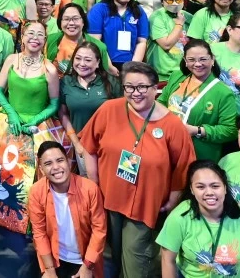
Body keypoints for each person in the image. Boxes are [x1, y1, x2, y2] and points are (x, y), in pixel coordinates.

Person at [80, 61, 196, 278]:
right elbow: (89, 147)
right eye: (129, 87)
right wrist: (94, 184)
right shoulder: (109, 109)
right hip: (108, 199)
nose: (135, 93)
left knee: (136, 261)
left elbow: (183, 168)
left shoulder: (172, 125)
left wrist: (172, 201)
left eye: (142, 87)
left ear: (155, 88)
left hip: (145, 206)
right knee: (111, 255)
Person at [156, 159, 240, 278]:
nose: (209, 192)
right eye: (200, 187)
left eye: (215, 186)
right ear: (192, 190)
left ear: (225, 188)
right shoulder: (179, 217)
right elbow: (167, 259)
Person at [27, 140, 108, 278]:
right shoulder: (36, 191)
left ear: (69, 162)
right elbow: (39, 233)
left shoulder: (90, 189)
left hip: (86, 260)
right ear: (41, 169)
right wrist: (50, 270)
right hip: (54, 260)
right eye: (48, 164)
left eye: (60, 160)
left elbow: (99, 230)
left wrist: (87, 266)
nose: (56, 167)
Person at [158, 39, 238, 162]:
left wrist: (198, 131)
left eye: (203, 59)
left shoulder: (223, 93)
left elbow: (230, 130)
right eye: (191, 60)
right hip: (168, 145)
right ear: (185, 61)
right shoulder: (177, 77)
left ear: (212, 59)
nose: (197, 64)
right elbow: (160, 103)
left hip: (198, 153)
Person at [60, 41, 118, 170]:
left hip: (109, 146)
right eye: (78, 58)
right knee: (89, 185)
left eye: (88, 60)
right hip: (82, 147)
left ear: (97, 63)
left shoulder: (111, 82)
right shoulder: (66, 82)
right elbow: (63, 113)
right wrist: (76, 143)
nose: (82, 64)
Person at [0, 20, 60, 134]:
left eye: (40, 34)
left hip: (37, 124)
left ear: (44, 40)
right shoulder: (11, 59)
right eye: (30, 33)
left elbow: (54, 104)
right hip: (8, 118)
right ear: (22, 37)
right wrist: (11, 113)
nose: (35, 37)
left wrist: (36, 120)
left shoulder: (50, 69)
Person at [87, 0, 149, 68]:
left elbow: (141, 41)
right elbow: (95, 41)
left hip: (131, 64)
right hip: (104, 64)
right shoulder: (99, 9)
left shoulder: (138, 11)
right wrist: (108, 66)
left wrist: (133, 66)